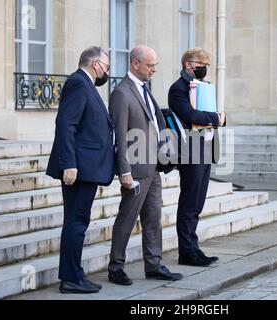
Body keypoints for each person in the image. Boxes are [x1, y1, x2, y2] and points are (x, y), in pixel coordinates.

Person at [108, 45, 183, 285]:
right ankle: (115, 267)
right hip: (135, 169)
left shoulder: (144, 89)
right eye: (151, 65)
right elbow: (119, 136)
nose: (154, 70)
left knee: (153, 218)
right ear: (135, 64)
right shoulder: (121, 92)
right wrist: (124, 171)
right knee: (127, 219)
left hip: (153, 168)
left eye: (155, 65)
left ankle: (154, 264)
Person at [46, 47, 115, 294]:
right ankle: (70, 278)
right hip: (80, 168)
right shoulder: (78, 83)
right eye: (106, 67)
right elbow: (66, 125)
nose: (107, 72)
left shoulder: (86, 84)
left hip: (88, 168)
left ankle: (75, 274)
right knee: (76, 222)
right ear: (96, 64)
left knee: (78, 221)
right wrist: (70, 164)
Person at [168, 48, 226, 267]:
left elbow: (209, 114)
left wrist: (221, 118)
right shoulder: (178, 88)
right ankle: (187, 252)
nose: (204, 69)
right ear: (187, 64)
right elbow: (190, 115)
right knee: (189, 203)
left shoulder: (202, 87)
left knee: (198, 203)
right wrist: (215, 118)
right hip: (190, 150)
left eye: (207, 65)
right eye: (201, 64)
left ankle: (194, 248)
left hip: (205, 148)